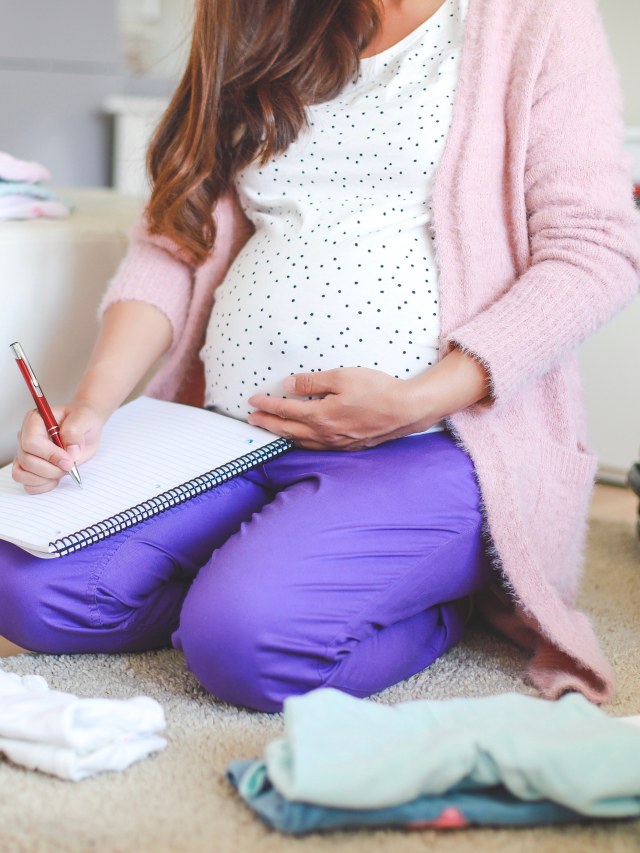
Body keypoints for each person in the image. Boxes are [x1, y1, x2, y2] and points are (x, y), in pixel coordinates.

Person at [1, 0, 638, 712]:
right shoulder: (265, 17)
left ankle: (426, 602)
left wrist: (416, 400)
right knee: (21, 584)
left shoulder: (535, 19)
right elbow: (173, 242)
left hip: (430, 441)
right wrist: (91, 407)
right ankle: (268, 582)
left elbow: (593, 251)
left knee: (245, 645)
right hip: (225, 437)